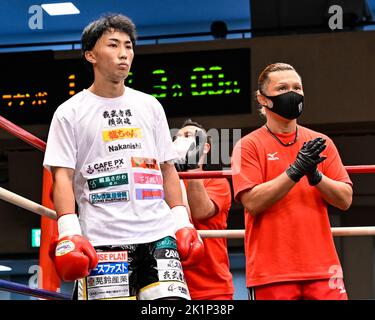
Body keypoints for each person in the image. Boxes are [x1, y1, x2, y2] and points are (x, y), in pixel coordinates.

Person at [43, 14, 204, 300]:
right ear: (90, 54)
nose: (123, 54)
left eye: (128, 46)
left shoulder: (150, 105)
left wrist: (182, 221)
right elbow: (62, 176)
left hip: (159, 236)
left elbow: (168, 169)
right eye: (113, 45)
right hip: (103, 241)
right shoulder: (70, 112)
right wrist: (69, 232)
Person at [231, 62, 353, 300]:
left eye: (297, 87)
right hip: (272, 273)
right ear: (263, 98)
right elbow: (252, 202)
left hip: (323, 269)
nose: (293, 93)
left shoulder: (321, 141)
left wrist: (316, 176)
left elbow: (345, 199)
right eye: (282, 88)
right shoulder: (246, 145)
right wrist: (295, 170)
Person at [173, 119, 234, 300]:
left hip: (212, 287)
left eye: (188, 136)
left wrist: (192, 167)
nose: (180, 140)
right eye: (177, 137)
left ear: (205, 147)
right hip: (172, 285)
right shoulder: (164, 184)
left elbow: (200, 211)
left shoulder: (217, 182)